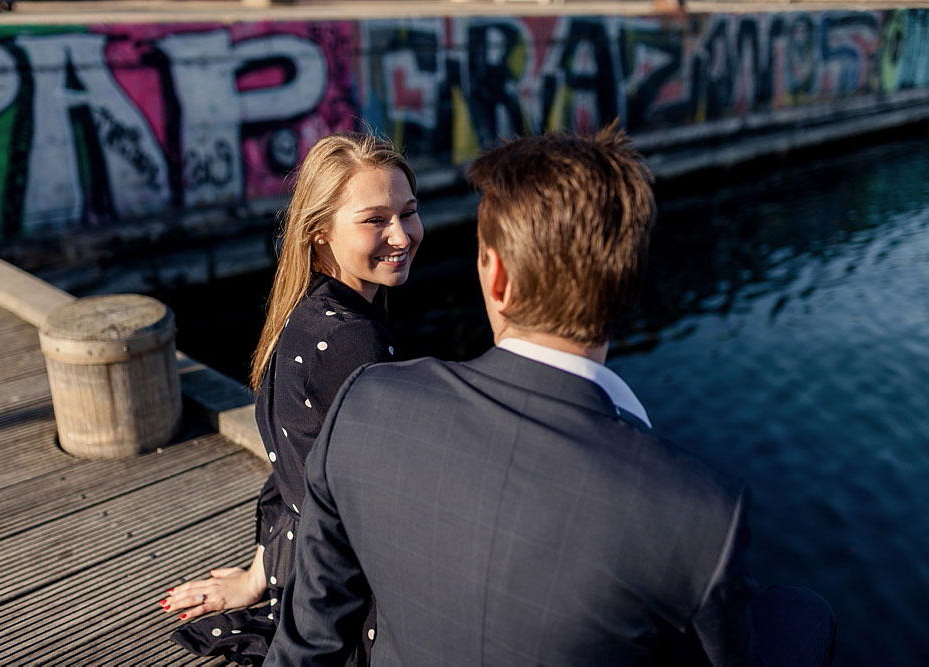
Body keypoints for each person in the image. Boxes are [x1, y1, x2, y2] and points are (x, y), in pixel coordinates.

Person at [263, 126, 837, 666]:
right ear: (629, 282)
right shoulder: (702, 512)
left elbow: (308, 641)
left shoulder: (365, 401)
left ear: (495, 278)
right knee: (804, 617)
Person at [158, 131, 423, 665]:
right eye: (375, 220)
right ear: (319, 231)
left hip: (306, 567)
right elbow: (374, 515)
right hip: (353, 603)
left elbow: (300, 468)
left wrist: (264, 572)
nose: (401, 235)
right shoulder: (355, 341)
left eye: (409, 212)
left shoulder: (305, 312)